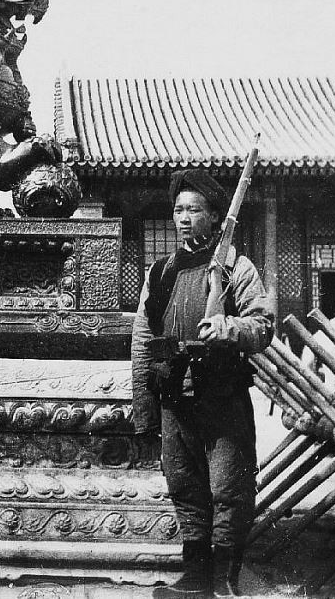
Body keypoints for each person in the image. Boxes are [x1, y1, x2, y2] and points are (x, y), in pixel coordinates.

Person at [132, 169, 274, 598]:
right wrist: (144, 412)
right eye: (178, 210)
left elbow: (263, 325)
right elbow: (142, 341)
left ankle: (225, 580)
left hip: (222, 398)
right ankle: (194, 578)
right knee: (186, 488)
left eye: (194, 210)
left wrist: (228, 327)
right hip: (175, 398)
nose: (184, 218)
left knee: (228, 488)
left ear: (215, 217)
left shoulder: (237, 267)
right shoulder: (160, 273)